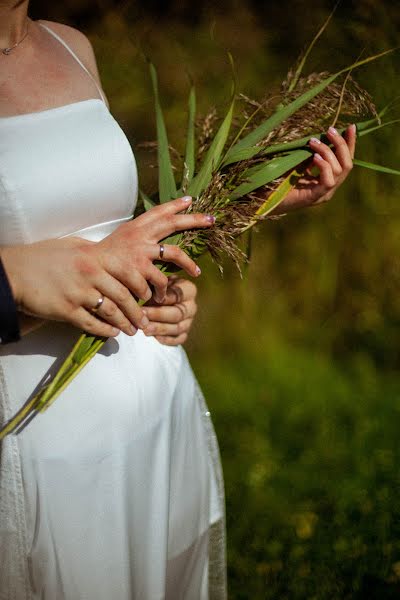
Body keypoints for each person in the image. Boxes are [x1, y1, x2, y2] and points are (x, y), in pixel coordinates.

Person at [0, 3, 356, 599]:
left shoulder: (69, 45)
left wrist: (169, 280)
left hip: (153, 408)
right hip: (35, 433)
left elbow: (108, 227)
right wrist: (16, 283)